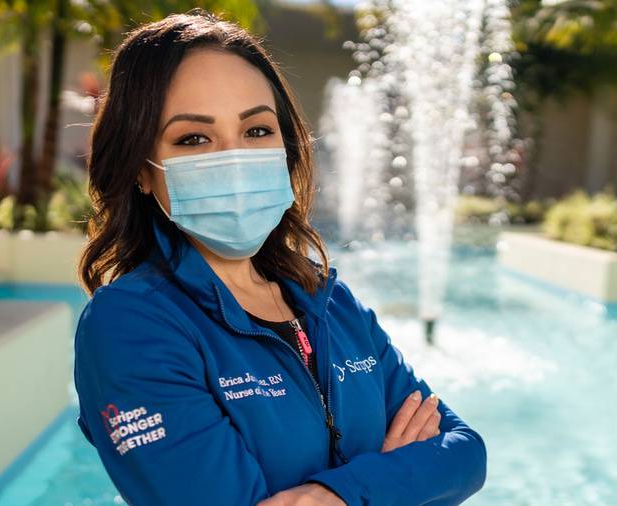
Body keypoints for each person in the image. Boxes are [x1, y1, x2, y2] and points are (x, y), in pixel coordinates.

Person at [73, 9, 487, 506]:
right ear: (142, 169)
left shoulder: (330, 302)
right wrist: (397, 477)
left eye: (256, 131)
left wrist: (329, 496)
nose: (234, 158)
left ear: (285, 146)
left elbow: (465, 453)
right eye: (193, 139)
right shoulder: (131, 325)